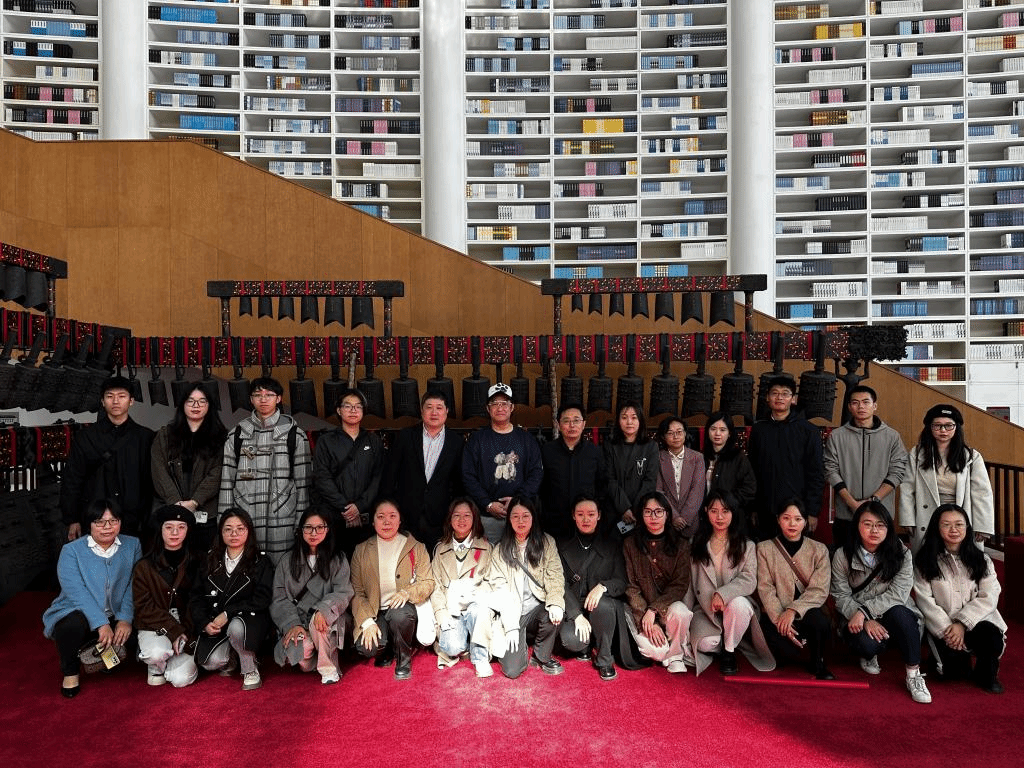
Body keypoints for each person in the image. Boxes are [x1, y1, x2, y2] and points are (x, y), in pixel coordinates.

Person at [831, 500, 931, 703]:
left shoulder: (902, 553)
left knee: (901, 613)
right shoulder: (843, 554)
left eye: (880, 525)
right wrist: (864, 618)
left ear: (888, 528)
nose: (874, 530)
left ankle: (914, 674)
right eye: (867, 524)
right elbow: (840, 596)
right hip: (857, 616)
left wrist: (865, 612)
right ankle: (871, 653)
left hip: (891, 612)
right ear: (857, 526)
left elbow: (899, 594)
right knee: (866, 644)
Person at [43, 499, 142, 698]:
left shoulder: (133, 545)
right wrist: (101, 623)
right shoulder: (71, 551)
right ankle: (70, 672)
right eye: (99, 522)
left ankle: (107, 658)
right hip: (78, 611)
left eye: (113, 521)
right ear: (89, 524)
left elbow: (135, 585)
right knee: (70, 626)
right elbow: (77, 592)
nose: (107, 527)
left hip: (116, 613)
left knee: (138, 634)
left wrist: (125, 618)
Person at [913, 504, 1006, 694]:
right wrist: (950, 631)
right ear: (937, 528)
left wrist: (962, 624)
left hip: (977, 622)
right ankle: (947, 655)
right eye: (946, 524)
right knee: (953, 673)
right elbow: (925, 601)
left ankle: (987, 674)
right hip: (944, 627)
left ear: (967, 527)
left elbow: (989, 596)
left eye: (959, 524)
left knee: (991, 637)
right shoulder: (925, 561)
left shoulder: (982, 560)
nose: (954, 529)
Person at [219, 377, 312, 564]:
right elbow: (227, 482)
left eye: (269, 395)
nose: (263, 399)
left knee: (282, 569)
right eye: (257, 395)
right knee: (247, 569)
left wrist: (302, 523)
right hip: (245, 520)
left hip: (283, 520)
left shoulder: (295, 435)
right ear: (251, 399)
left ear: (279, 399)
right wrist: (224, 521)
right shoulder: (237, 435)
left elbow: (303, 485)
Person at [557, 495, 646, 681]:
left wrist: (603, 586)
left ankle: (605, 658)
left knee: (602, 605)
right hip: (575, 607)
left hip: (602, 607)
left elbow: (621, 581)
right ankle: (587, 645)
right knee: (571, 642)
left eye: (591, 514)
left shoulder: (612, 544)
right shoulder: (563, 544)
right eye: (580, 514)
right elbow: (560, 584)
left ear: (599, 515)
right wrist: (576, 615)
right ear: (573, 516)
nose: (586, 519)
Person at [687, 490, 775, 676]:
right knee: (705, 644)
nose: (719, 517)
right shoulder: (696, 543)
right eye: (714, 511)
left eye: (725, 511)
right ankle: (728, 638)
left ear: (733, 512)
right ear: (706, 511)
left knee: (739, 604)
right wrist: (685, 618)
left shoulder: (746, 546)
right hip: (705, 610)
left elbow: (749, 580)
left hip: (734, 607)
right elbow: (689, 584)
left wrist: (723, 594)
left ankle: (729, 651)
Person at [189, 508, 274, 691]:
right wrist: (204, 623)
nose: (234, 534)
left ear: (249, 531)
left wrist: (228, 613)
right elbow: (196, 597)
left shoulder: (261, 562)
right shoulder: (209, 560)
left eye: (240, 528)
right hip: (217, 623)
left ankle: (250, 668)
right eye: (228, 529)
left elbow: (262, 598)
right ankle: (232, 655)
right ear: (221, 532)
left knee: (236, 627)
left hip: (249, 621)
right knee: (211, 663)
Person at [60, 376, 154, 540]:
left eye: (122, 396)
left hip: (134, 520)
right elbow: (72, 479)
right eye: (110, 396)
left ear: (131, 401)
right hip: (95, 518)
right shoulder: (85, 437)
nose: (115, 401)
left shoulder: (145, 437)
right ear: (103, 401)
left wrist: (148, 519)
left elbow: (150, 482)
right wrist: (72, 519)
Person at [350, 499, 434, 680]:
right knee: (368, 648)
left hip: (401, 609)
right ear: (373, 521)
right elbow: (356, 592)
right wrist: (367, 622)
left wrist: (407, 593)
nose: (386, 522)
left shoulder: (415, 547)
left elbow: (428, 582)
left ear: (400, 520)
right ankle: (386, 648)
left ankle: (403, 658)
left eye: (392, 516)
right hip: (374, 611)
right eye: (381, 517)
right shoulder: (361, 550)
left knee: (400, 616)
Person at [270, 509, 354, 685]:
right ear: (301, 530)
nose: (314, 533)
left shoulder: (338, 559)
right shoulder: (287, 561)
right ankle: (318, 659)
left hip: (331, 620)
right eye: (308, 528)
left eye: (319, 527)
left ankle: (328, 669)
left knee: (320, 622)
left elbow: (343, 591)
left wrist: (324, 610)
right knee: (298, 653)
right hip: (299, 621)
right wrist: (292, 624)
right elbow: (279, 599)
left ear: (327, 529)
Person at [487, 496, 566, 678]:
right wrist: (511, 626)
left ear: (533, 517)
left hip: (537, 608)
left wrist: (555, 603)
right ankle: (520, 645)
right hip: (513, 613)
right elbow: (499, 590)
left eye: (525, 516)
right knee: (512, 670)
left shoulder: (547, 542)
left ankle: (541, 655)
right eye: (515, 516)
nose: (520, 521)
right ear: (509, 519)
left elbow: (555, 576)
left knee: (553, 612)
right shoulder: (500, 550)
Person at [899, 404, 994, 555]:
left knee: (964, 560)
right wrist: (907, 519)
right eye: (937, 426)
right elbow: (907, 488)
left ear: (957, 428)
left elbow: (982, 493)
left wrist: (983, 526)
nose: (943, 430)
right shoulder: (917, 454)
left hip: (960, 515)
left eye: (949, 426)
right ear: (929, 428)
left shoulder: (971, 456)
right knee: (928, 559)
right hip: (927, 515)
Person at [756, 498, 834, 680]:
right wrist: (780, 619)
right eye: (786, 518)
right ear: (778, 519)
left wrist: (793, 611)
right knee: (782, 656)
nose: (792, 524)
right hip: (777, 614)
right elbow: (766, 589)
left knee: (819, 621)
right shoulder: (764, 549)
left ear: (805, 522)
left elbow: (819, 590)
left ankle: (818, 661)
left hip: (807, 612)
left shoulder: (819, 550)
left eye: (798, 519)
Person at [824, 385, 908, 552]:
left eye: (865, 402)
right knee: (844, 558)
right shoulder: (837, 436)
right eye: (855, 403)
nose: (861, 406)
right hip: (846, 514)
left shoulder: (892, 436)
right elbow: (830, 469)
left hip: (880, 514)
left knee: (882, 559)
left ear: (874, 405)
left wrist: (874, 500)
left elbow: (898, 471)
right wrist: (852, 503)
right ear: (849, 407)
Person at [382, 389, 464, 553]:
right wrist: (389, 510)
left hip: (440, 517)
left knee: (436, 560)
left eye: (439, 408)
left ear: (447, 411)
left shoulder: (456, 442)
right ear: (421, 410)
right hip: (406, 515)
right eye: (429, 407)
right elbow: (389, 476)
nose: (434, 412)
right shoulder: (405, 436)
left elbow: (459, 483)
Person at [151, 381, 227, 554]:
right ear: (182, 404)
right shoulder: (165, 435)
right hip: (170, 512)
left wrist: (195, 501)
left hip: (206, 514)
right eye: (190, 401)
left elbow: (218, 471)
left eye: (202, 401)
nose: (196, 405)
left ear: (209, 405)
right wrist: (176, 503)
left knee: (203, 559)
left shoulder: (221, 437)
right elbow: (158, 469)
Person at [462, 383, 544, 543]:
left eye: (505, 403)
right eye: (495, 403)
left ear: (512, 407)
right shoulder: (477, 440)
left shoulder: (526, 439)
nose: (500, 408)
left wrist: (517, 500)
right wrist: (487, 504)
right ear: (488, 408)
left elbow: (536, 473)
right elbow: (467, 476)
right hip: (486, 517)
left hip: (520, 515)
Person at [622, 491, 694, 673]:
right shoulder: (630, 544)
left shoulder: (681, 544)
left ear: (667, 514)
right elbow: (631, 587)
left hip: (667, 608)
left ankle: (676, 654)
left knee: (681, 612)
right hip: (641, 610)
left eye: (658, 511)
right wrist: (647, 619)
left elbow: (680, 584)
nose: (653, 517)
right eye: (648, 512)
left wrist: (654, 610)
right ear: (641, 515)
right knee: (657, 653)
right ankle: (668, 649)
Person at [747, 375, 825, 540]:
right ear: (767, 398)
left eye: (785, 394)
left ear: (793, 399)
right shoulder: (759, 430)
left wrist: (812, 511)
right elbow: (751, 471)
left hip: (796, 511)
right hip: (764, 509)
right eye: (774, 393)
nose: (779, 397)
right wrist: (752, 507)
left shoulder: (808, 431)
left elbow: (816, 473)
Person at [132, 504, 200, 688]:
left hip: (186, 623)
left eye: (181, 527)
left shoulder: (197, 561)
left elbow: (198, 602)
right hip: (155, 622)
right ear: (160, 530)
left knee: (181, 680)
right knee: (156, 653)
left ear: (188, 530)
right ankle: (155, 662)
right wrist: (174, 630)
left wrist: (186, 632)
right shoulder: (144, 566)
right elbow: (143, 607)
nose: (175, 533)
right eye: (169, 527)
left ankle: (170, 661)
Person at [312, 387, 385, 558]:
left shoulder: (373, 441)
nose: (353, 410)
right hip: (334, 516)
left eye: (358, 406)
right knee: (333, 561)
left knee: (365, 563)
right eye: (348, 406)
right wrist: (346, 508)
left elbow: (378, 477)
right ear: (339, 410)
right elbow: (322, 477)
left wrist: (359, 506)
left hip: (365, 516)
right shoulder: (326, 441)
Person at [429, 498, 495, 677]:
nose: (461, 520)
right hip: (451, 610)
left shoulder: (486, 547)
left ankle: (480, 658)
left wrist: (473, 593)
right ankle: (464, 640)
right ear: (449, 519)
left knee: (479, 610)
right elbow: (435, 587)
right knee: (452, 647)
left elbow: (491, 582)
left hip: (475, 606)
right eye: (456, 515)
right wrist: (441, 614)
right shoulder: (440, 549)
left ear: (475, 519)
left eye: (467, 515)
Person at [540, 402, 606, 542]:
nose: (572, 425)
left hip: (585, 522)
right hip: (554, 521)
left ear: (583, 424)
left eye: (576, 420)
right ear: (558, 424)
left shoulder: (594, 452)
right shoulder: (547, 451)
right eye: (566, 421)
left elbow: (602, 485)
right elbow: (541, 486)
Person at [603, 401, 658, 537]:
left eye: (634, 417)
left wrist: (635, 509)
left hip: (640, 512)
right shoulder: (609, 446)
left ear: (640, 420)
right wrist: (624, 508)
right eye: (624, 417)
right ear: (618, 421)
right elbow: (609, 480)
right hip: (615, 511)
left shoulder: (651, 447)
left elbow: (650, 481)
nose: (629, 422)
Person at [655, 415, 705, 538]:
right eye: (670, 433)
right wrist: (674, 516)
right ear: (663, 436)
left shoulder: (697, 458)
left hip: (690, 521)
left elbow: (697, 490)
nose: (675, 436)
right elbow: (658, 491)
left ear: (685, 433)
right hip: (666, 520)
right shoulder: (657, 458)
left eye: (679, 432)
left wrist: (685, 518)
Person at [702, 410, 756, 516]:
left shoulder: (739, 457)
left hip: (730, 513)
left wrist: (726, 503)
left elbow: (749, 489)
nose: (717, 433)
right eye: (713, 429)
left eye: (723, 430)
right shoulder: (701, 457)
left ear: (730, 433)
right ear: (707, 431)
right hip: (705, 513)